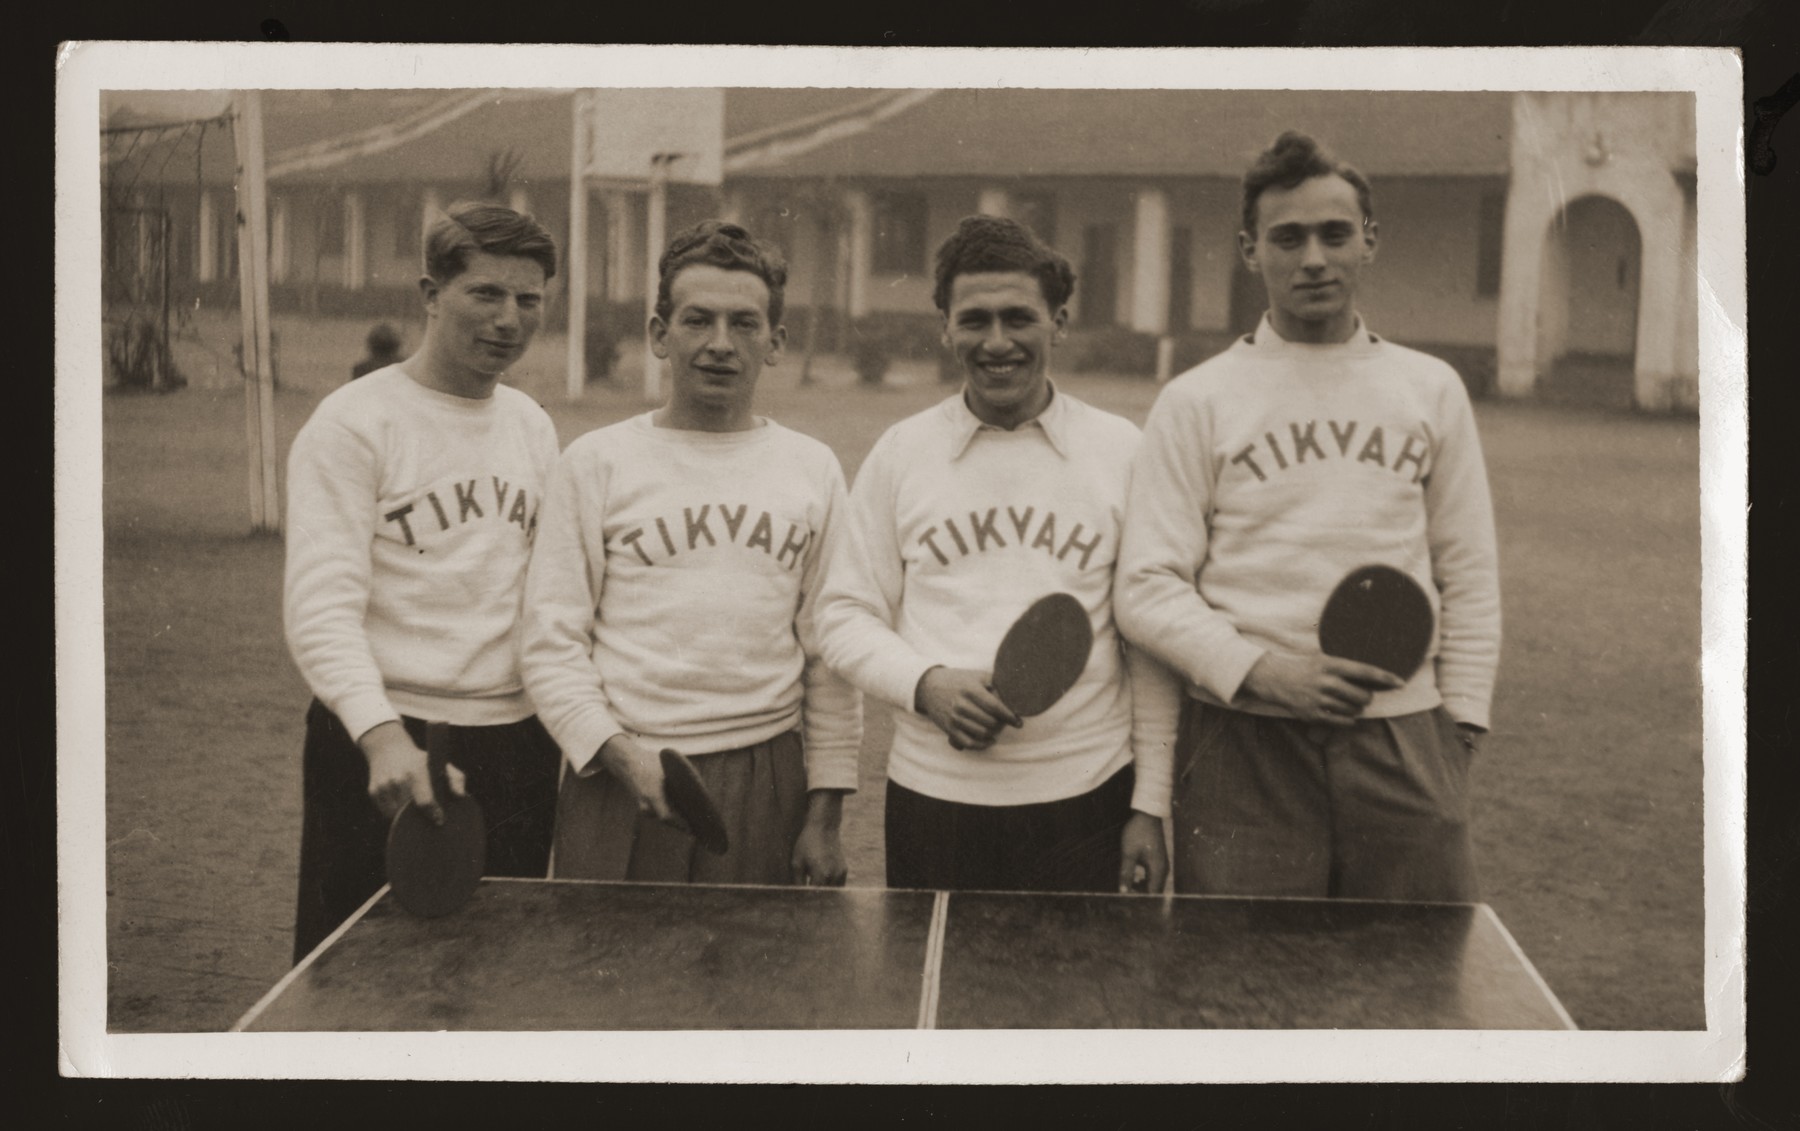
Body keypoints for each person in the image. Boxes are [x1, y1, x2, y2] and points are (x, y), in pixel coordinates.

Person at [1115, 131, 1501, 901]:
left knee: (1412, 987)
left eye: (1335, 233)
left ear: (1370, 240)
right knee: (1243, 996)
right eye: (1287, 237)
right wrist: (1266, 673)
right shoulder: (1197, 399)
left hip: (1403, 736)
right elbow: (1148, 586)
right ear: (1251, 250)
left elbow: (1469, 570)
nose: (1314, 258)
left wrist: (1457, 726)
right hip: (1241, 742)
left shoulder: (1430, 388)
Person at [815, 215, 1178, 895]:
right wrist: (925, 683)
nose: (998, 341)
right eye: (974, 320)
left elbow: (1149, 644)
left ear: (1059, 323)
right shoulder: (902, 452)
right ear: (945, 328)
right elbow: (842, 614)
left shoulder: (1122, 450)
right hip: (934, 801)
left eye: (1020, 318)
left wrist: (1149, 804)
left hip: (1087, 796)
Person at [521, 220, 860, 886]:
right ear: (658, 333)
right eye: (698, 320)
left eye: (744, 324)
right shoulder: (596, 462)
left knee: (748, 983)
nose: (720, 345)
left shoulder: (812, 468)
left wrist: (824, 817)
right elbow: (550, 642)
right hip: (619, 771)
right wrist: (619, 754)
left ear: (775, 343)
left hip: (766, 776)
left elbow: (830, 655)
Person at [283, 202, 564, 962]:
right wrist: (380, 738)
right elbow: (320, 612)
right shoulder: (352, 424)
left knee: (496, 985)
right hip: (385, 741)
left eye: (529, 300)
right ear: (430, 293)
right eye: (485, 294)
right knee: (352, 983)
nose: (509, 319)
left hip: (515, 747)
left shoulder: (532, 425)